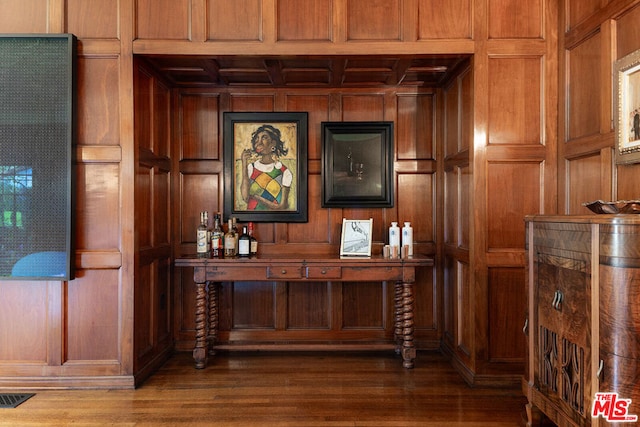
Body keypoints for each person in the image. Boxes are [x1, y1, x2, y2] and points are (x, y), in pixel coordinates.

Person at [240, 124, 293, 210]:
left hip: (275, 219)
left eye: (264, 138)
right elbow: (245, 197)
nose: (259, 142)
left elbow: (283, 206)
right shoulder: (251, 168)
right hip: (252, 218)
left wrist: (257, 198)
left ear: (273, 143)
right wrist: (244, 163)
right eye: (257, 138)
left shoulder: (284, 172)